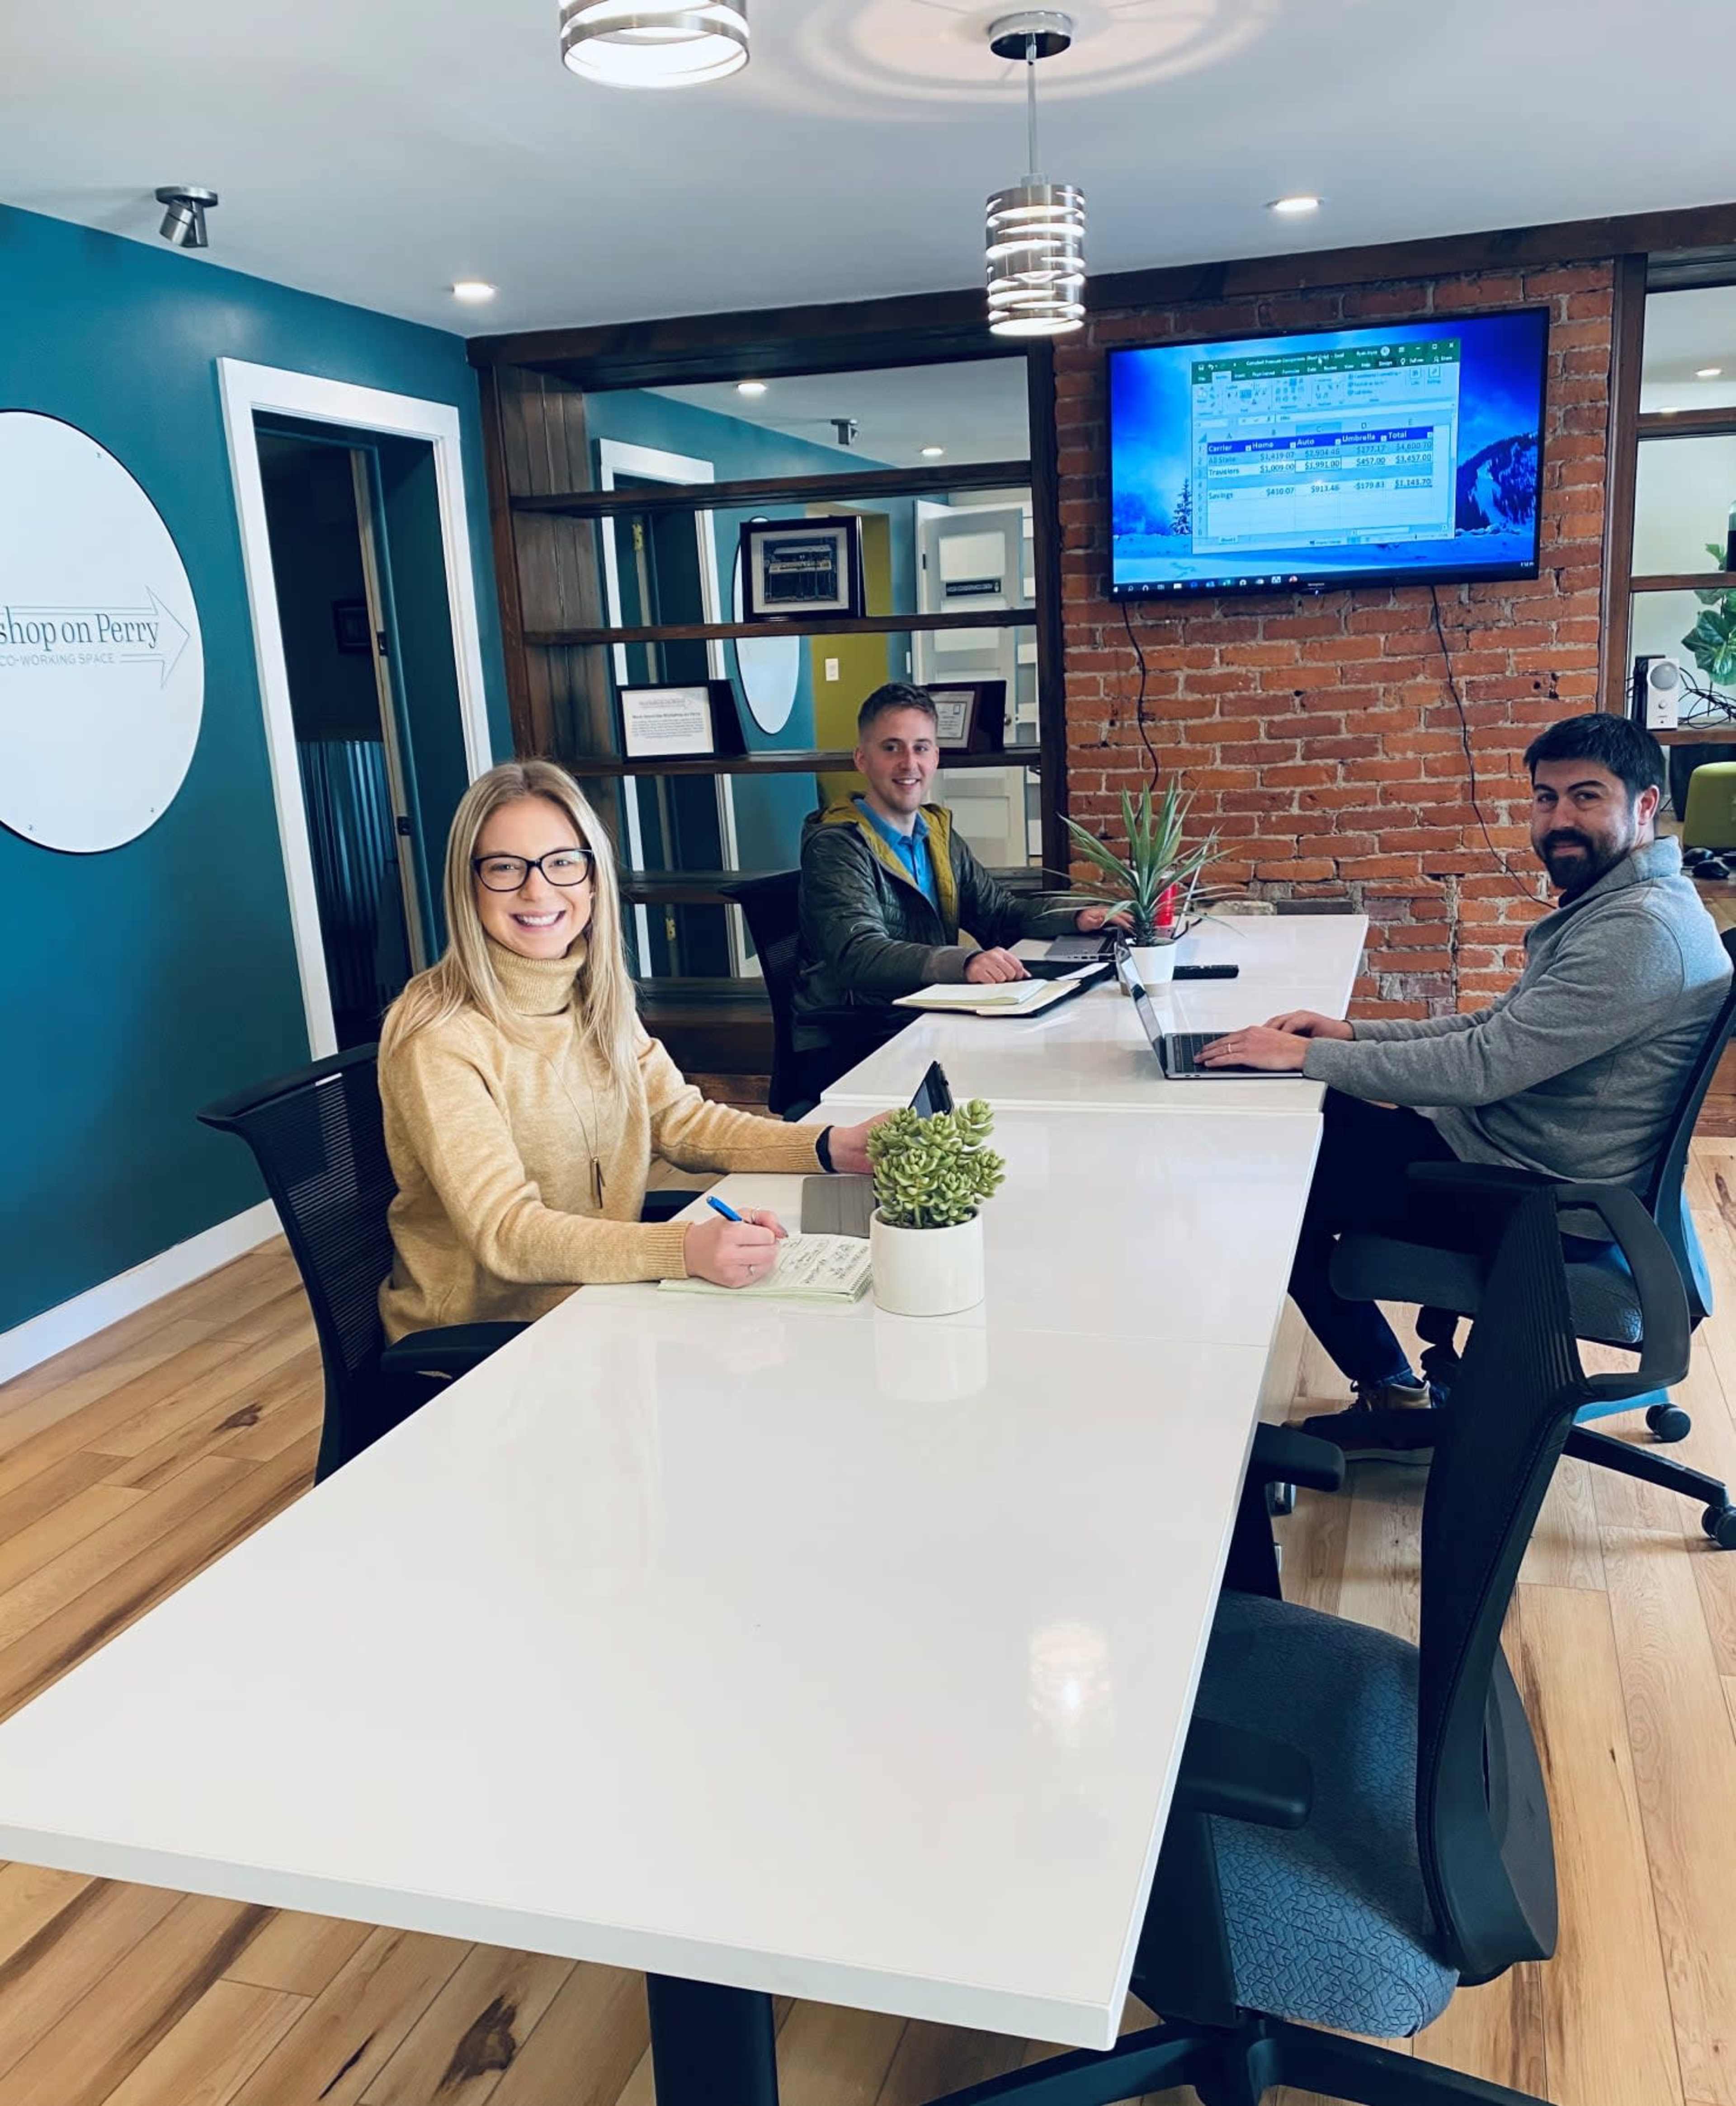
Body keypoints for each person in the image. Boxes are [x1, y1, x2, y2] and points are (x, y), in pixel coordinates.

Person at [1196, 712, 1731, 1456]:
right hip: (1523, 1159)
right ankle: (1393, 1383)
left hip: (1536, 1200)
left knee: (1263, 1182)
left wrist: (1305, 1059)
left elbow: (1481, 1068)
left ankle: (1392, 1389)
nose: (1558, 818)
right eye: (1545, 798)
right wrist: (1350, 1035)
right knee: (1293, 1124)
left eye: (1586, 796)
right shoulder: (1628, 904)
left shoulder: (1638, 930)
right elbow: (1496, 1030)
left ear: (1644, 805)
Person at [378, 759, 885, 1341]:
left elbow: (683, 1120)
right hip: (490, 1341)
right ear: (469, 886)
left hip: (598, 1300)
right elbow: (506, 1232)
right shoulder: (439, 1034)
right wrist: (684, 1248)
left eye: (563, 862)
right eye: (505, 867)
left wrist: (831, 1146)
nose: (537, 888)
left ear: (593, 879)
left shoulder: (594, 995)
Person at [793, 683, 1123, 1083]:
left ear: (936, 756)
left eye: (921, 747)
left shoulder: (937, 833)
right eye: (891, 748)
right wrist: (964, 962)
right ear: (862, 759)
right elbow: (858, 953)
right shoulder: (838, 844)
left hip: (923, 1017)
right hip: (860, 1033)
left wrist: (1079, 917)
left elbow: (998, 915)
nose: (908, 763)